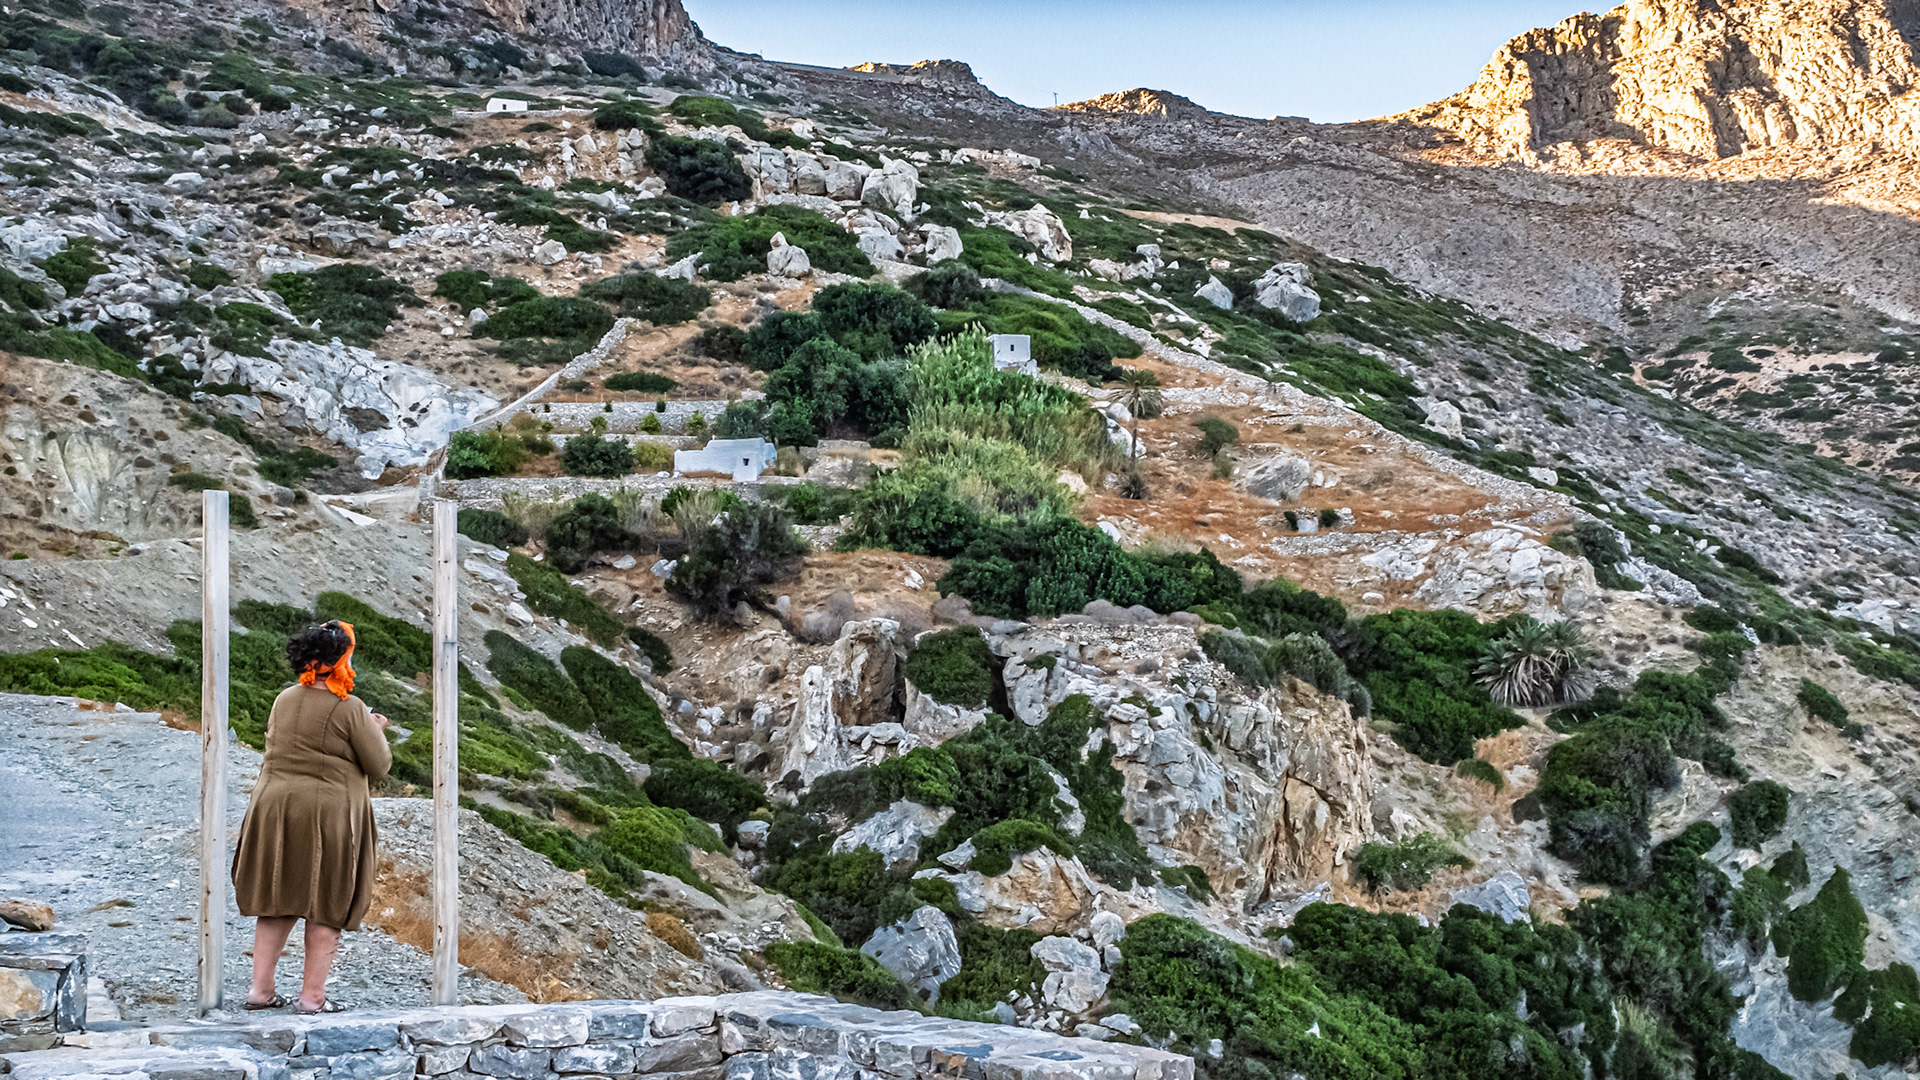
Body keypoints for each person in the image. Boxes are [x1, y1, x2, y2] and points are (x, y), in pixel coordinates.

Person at [230, 620, 391, 1013]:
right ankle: (312, 998)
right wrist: (377, 728)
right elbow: (379, 765)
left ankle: (260, 991)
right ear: (342, 658)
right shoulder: (350, 708)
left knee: (277, 898)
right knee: (326, 902)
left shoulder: (285, 698)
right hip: (329, 813)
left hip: (275, 806)